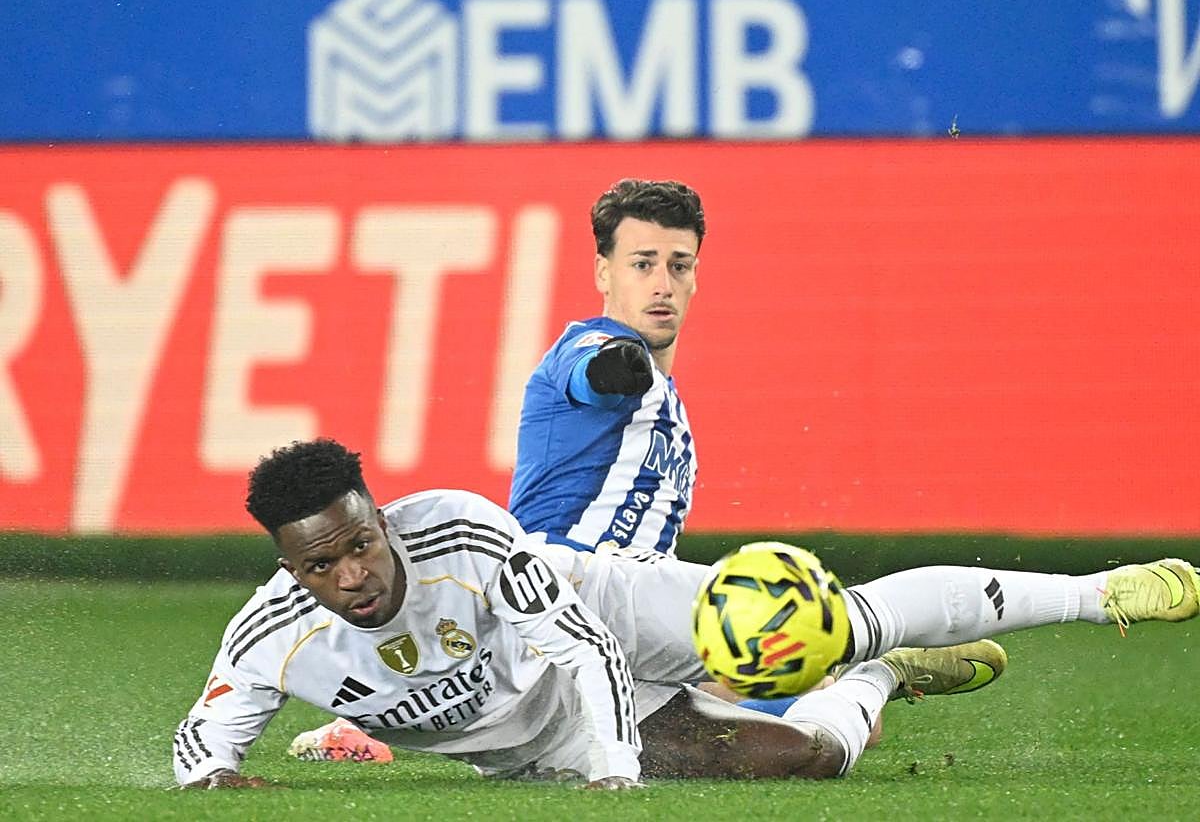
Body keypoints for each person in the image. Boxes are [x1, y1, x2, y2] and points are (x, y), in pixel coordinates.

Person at [176, 439, 1199, 789]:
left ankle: (1099, 592)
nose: (354, 572)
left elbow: (584, 650)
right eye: (323, 563)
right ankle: (878, 682)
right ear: (289, 569)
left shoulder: (463, 533)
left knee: (824, 622)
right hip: (544, 737)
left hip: (602, 613)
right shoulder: (272, 641)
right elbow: (201, 749)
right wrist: (217, 777)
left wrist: (616, 772)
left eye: (362, 541)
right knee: (803, 762)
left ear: (380, 516)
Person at [508, 178, 703, 555]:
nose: (663, 285)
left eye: (679, 266)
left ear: (694, 277)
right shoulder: (586, 343)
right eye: (643, 264)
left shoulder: (671, 407)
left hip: (630, 583)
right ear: (603, 272)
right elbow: (596, 371)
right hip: (560, 570)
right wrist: (612, 368)